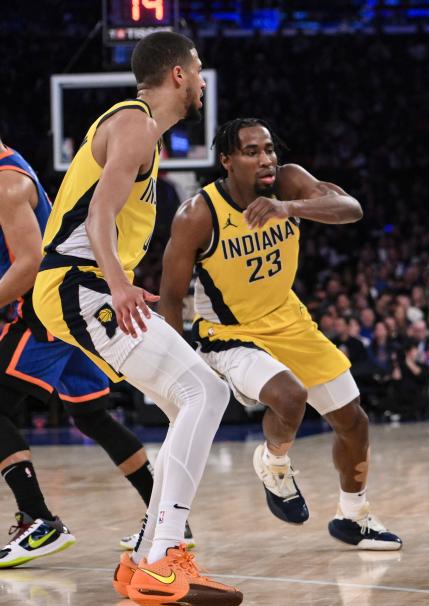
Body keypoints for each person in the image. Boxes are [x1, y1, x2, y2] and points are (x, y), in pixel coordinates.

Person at [31, 32, 241, 606]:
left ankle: (146, 557)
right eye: (198, 71)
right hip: (78, 284)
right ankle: (164, 559)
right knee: (206, 390)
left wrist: (118, 282)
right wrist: (120, 285)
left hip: (84, 285)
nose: (202, 81)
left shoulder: (142, 131)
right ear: (178, 74)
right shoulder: (133, 123)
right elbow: (98, 213)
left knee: (189, 401)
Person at [159, 118, 401, 549]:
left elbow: (352, 208)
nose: (266, 158)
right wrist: (177, 369)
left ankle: (354, 516)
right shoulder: (198, 214)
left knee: (354, 422)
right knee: (291, 397)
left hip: (289, 319)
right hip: (228, 332)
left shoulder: (288, 183)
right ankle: (273, 462)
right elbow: (171, 296)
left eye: (269, 149)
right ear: (227, 161)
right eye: (252, 152)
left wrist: (289, 208)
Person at [0, 139, 193, 568]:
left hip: (46, 311)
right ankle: (167, 518)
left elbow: (29, 263)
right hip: (72, 307)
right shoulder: (13, 168)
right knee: (91, 415)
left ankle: (39, 520)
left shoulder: (6, 183)